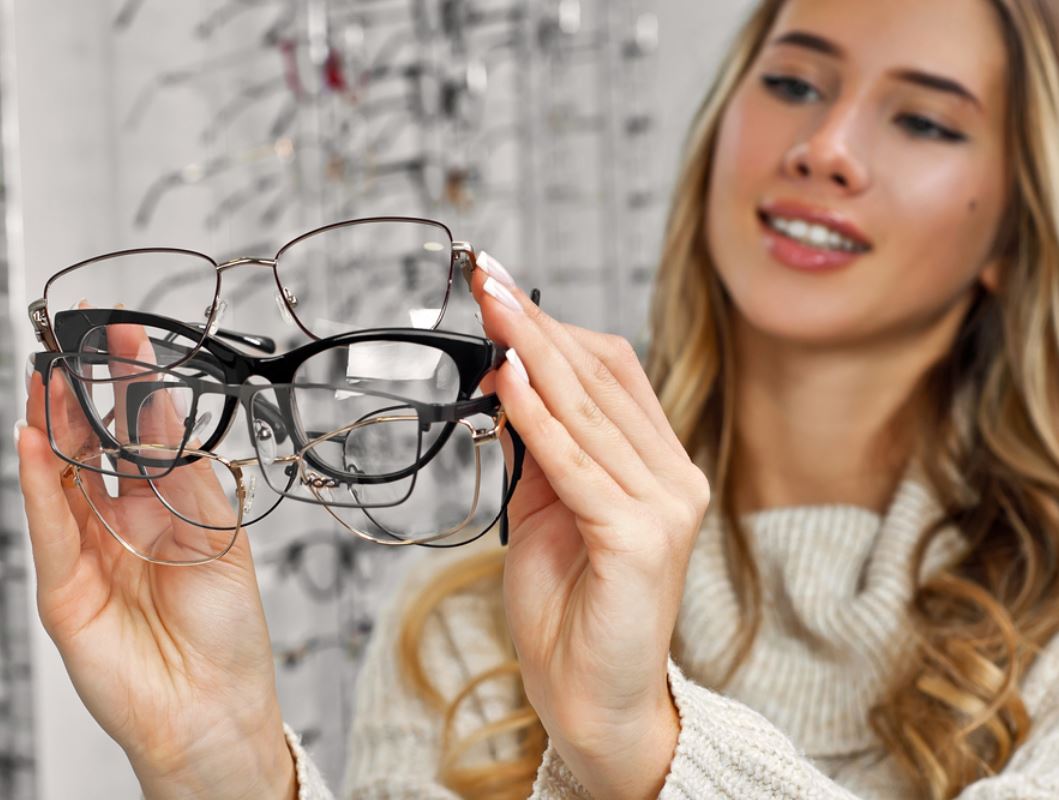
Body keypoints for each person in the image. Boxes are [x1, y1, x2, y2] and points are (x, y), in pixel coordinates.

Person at [15, 0, 1059, 797]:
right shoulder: (474, 609)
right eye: (793, 84)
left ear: (1018, 232)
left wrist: (644, 747)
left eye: (923, 119)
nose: (825, 148)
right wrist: (226, 762)